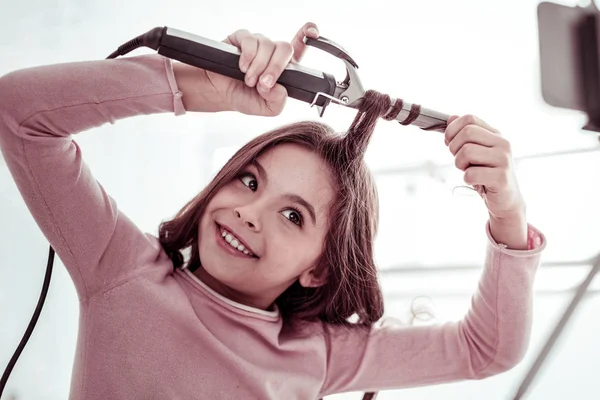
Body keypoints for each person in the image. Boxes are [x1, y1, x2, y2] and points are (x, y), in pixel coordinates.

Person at [0, 21, 546, 399]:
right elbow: (20, 115)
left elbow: (486, 349)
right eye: (249, 180)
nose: (248, 212)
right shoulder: (121, 270)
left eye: (293, 216)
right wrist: (200, 86)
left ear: (320, 267)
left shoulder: (319, 354)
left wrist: (507, 211)